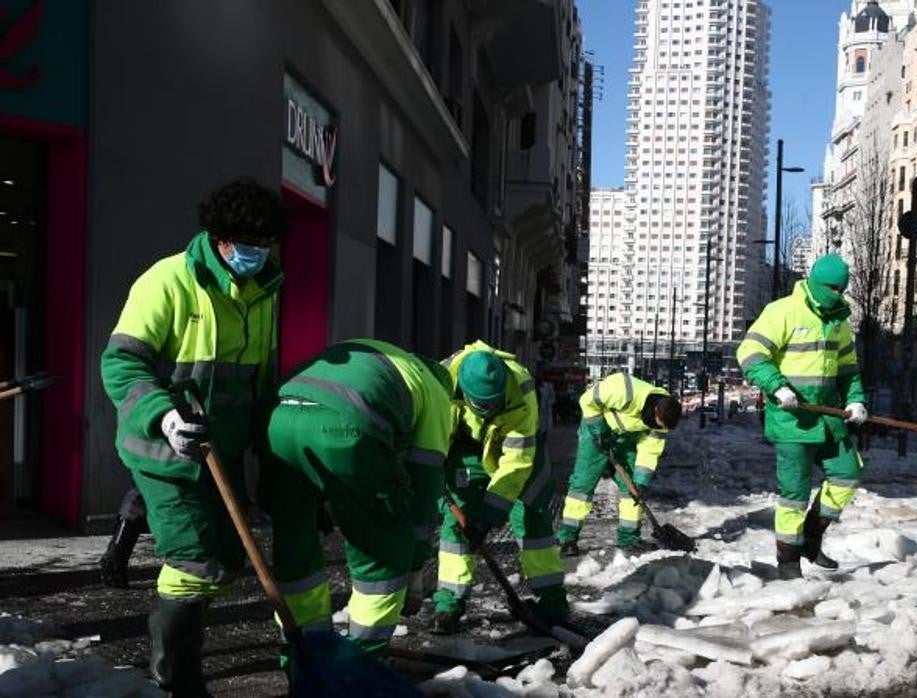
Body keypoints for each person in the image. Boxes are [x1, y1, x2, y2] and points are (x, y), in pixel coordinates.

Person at [100, 177, 285, 695]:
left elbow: (261, 379)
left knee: (226, 563)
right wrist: (164, 415)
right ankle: (176, 678)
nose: (257, 255)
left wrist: (267, 445)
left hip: (218, 456)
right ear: (220, 240)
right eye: (248, 246)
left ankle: (180, 644)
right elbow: (120, 364)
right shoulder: (168, 281)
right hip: (164, 450)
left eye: (266, 245)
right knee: (194, 561)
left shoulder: (265, 289)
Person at [264, 340, 453, 658]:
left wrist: (311, 496)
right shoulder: (436, 393)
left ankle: (304, 657)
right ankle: (363, 661)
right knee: (382, 550)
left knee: (295, 548)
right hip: (347, 427)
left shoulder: (389, 360)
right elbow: (425, 483)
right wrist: (414, 561)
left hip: (278, 422)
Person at [735, 253, 869, 580]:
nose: (838, 294)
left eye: (842, 289)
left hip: (829, 418)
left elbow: (848, 370)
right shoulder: (782, 311)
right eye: (833, 288)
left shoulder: (839, 321)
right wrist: (777, 387)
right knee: (793, 495)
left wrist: (856, 400)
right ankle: (789, 561)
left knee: (847, 475)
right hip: (792, 420)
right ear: (816, 283)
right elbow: (749, 353)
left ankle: (811, 535)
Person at [430, 342, 568, 633]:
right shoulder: (440, 384)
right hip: (465, 449)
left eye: (495, 403)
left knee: (531, 516)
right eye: (482, 405)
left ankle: (553, 602)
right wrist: (444, 496)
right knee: (456, 521)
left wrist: (489, 515)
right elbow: (432, 444)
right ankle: (448, 605)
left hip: (519, 450)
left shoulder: (521, 391)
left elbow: (517, 462)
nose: (489, 410)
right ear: (463, 393)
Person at [555, 372, 682, 556]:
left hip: (626, 440)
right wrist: (599, 431)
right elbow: (587, 400)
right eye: (656, 422)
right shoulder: (623, 390)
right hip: (596, 431)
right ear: (654, 409)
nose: (656, 427)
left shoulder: (661, 422)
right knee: (582, 486)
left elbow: (649, 451)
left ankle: (629, 539)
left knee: (632, 490)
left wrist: (641, 481)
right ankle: (568, 539)